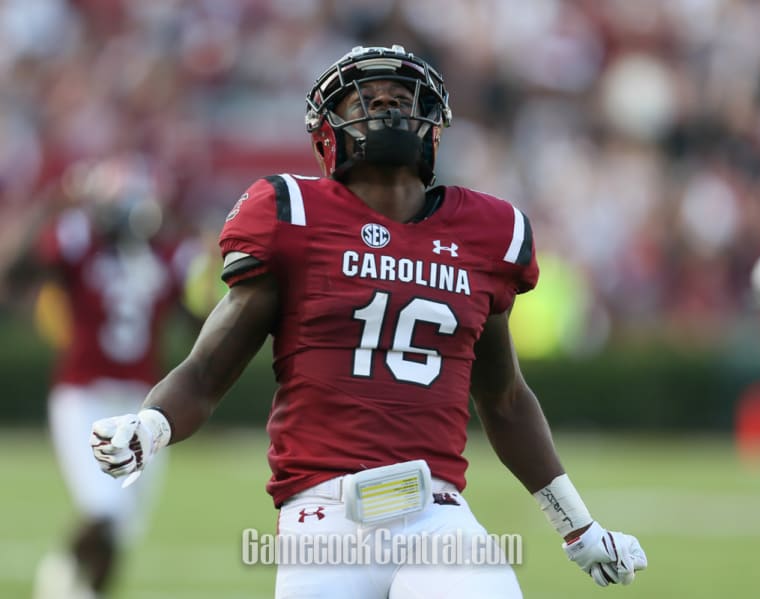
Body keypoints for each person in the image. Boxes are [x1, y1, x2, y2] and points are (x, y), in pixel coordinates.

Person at [90, 45, 647, 598]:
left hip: (438, 515)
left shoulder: (486, 233)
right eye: (368, 100)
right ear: (326, 132)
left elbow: (505, 400)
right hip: (321, 519)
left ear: (432, 125)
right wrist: (151, 426)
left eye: (401, 99)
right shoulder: (293, 214)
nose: (385, 110)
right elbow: (207, 372)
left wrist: (577, 526)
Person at [3, 153, 201, 599]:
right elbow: (17, 272)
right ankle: (60, 585)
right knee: (105, 509)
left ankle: (67, 580)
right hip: (84, 396)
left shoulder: (167, 254)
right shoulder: (79, 240)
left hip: (143, 404)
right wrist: (51, 206)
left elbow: (202, 321)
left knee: (123, 528)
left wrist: (197, 253)